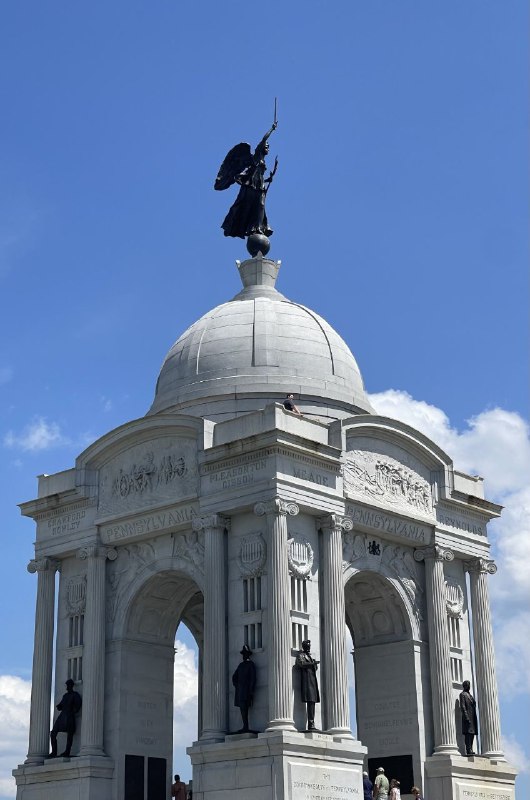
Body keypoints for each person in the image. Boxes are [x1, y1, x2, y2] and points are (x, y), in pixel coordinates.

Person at [49, 678, 82, 758]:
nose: (67, 687)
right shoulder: (65, 695)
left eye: (68, 685)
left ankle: (67, 751)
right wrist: (59, 706)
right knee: (53, 733)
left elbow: (78, 704)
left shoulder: (75, 695)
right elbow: (61, 704)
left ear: (71, 686)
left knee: (69, 733)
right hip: (62, 716)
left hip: (69, 716)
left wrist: (73, 711)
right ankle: (54, 752)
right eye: (67, 685)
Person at [295, 639, 320, 730]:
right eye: (307, 646)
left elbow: (314, 668)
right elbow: (301, 664)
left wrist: (314, 664)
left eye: (309, 646)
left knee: (312, 702)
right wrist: (312, 663)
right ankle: (310, 724)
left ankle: (312, 723)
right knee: (310, 701)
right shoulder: (301, 655)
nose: (309, 648)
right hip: (307, 681)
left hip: (312, 681)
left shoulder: (310, 657)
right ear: (304, 646)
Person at [232, 644, 257, 733]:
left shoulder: (251, 664)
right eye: (243, 654)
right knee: (242, 708)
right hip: (240, 690)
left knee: (245, 708)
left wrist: (251, 690)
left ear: (248, 655)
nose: (243, 656)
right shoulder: (241, 665)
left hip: (246, 690)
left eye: (245, 654)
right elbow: (234, 676)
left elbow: (253, 679)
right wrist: (236, 685)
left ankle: (246, 726)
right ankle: (244, 726)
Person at [459, 680, 478, 755]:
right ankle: (468, 749)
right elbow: (463, 706)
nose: (469, 686)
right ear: (464, 686)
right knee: (468, 733)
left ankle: (471, 748)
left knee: (472, 733)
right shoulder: (462, 694)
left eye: (469, 685)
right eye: (467, 685)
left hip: (472, 716)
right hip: (468, 716)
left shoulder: (470, 696)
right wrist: (466, 716)